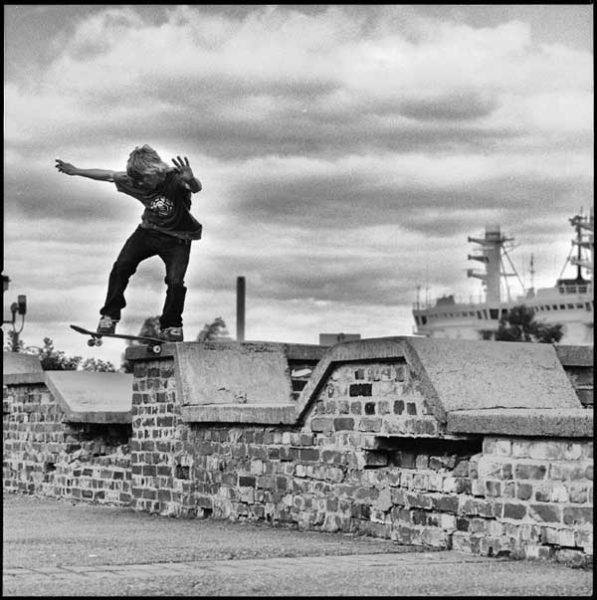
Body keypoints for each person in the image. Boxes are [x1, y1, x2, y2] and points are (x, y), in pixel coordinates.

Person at [55, 144, 203, 342]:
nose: (142, 184)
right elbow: (107, 175)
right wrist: (76, 171)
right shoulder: (134, 179)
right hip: (148, 231)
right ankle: (109, 317)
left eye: (146, 179)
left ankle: (172, 326)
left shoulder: (175, 178)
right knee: (122, 266)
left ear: (156, 171)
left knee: (175, 282)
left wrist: (191, 179)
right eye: (139, 180)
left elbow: (196, 188)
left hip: (178, 238)